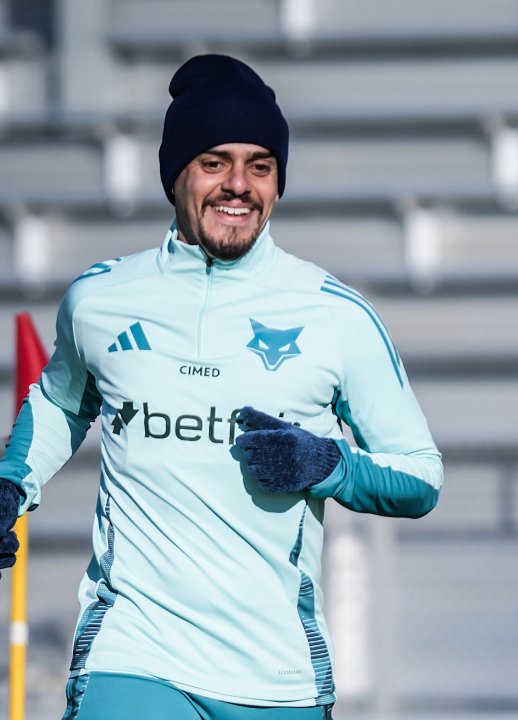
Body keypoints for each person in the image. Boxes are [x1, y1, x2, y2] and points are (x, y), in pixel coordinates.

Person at [0, 54, 443, 719]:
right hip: (135, 656)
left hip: (277, 678)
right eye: (215, 162)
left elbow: (423, 477)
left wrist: (327, 464)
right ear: (175, 173)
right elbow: (62, 403)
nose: (238, 185)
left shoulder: (336, 314)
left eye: (260, 166)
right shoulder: (100, 298)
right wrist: (11, 484)